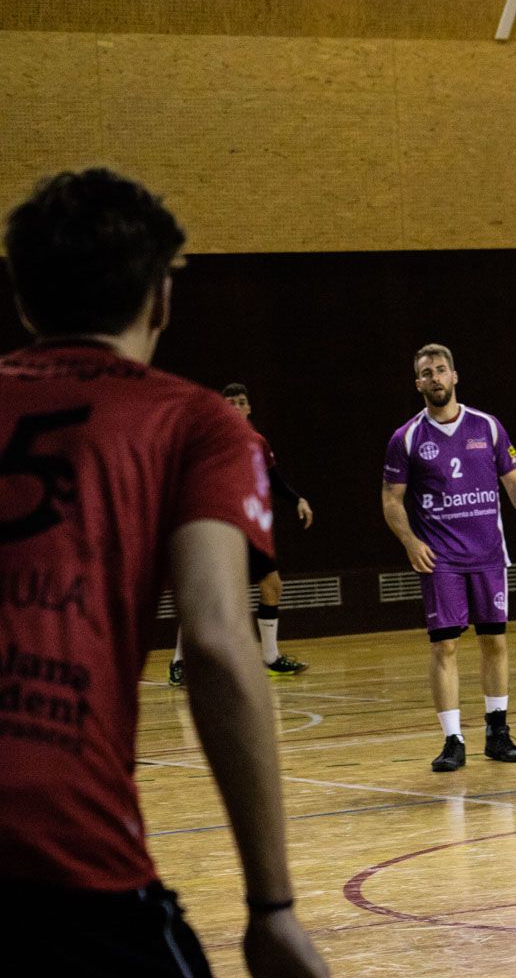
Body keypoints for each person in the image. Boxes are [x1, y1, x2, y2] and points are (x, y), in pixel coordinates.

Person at [0, 168, 326, 976]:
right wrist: (272, 907)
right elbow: (216, 639)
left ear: (24, 298)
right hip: (64, 850)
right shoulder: (196, 423)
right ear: (160, 300)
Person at [381, 344, 516, 772]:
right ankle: (453, 739)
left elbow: (512, 479)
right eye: (426, 373)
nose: (435, 377)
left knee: (495, 641)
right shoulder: (407, 439)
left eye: (441, 370)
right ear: (417, 383)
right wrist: (409, 541)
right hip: (442, 560)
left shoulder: (488, 427)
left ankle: (498, 731)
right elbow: (392, 499)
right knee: (446, 646)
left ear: (455, 376)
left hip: (488, 554)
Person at [169, 382, 313, 685]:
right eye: (229, 402)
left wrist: (298, 499)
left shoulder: (257, 442)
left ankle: (271, 658)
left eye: (241, 402)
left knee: (272, 585)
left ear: (248, 408)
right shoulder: (209, 440)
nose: (236, 407)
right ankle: (179, 662)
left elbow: (273, 480)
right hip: (220, 526)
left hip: (250, 525)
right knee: (204, 593)